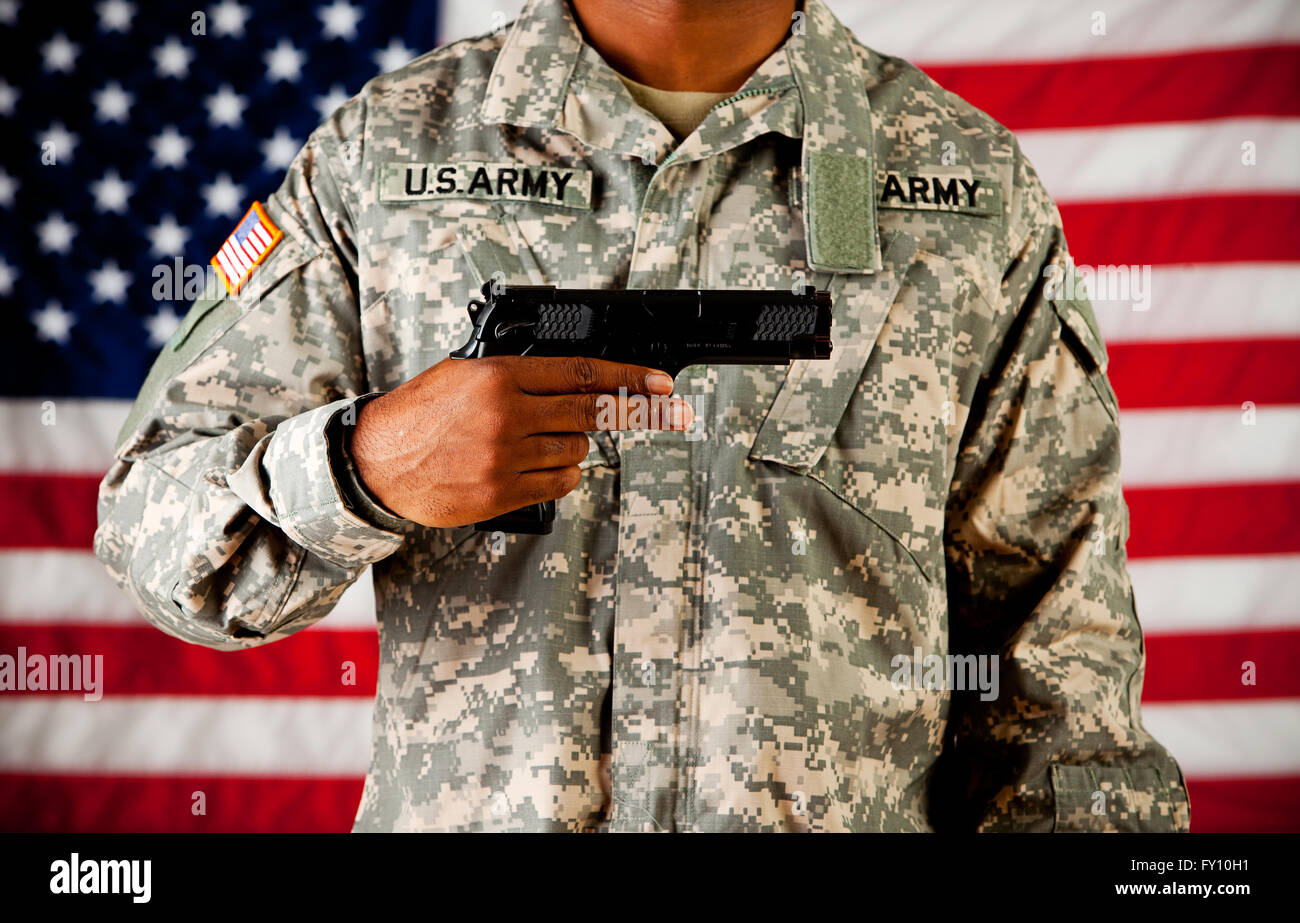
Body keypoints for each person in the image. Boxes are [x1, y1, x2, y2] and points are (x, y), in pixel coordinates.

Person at [95, 0, 1190, 832]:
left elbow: (1060, 661)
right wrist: (362, 464)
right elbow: (148, 518)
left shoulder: (964, 186)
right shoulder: (388, 156)